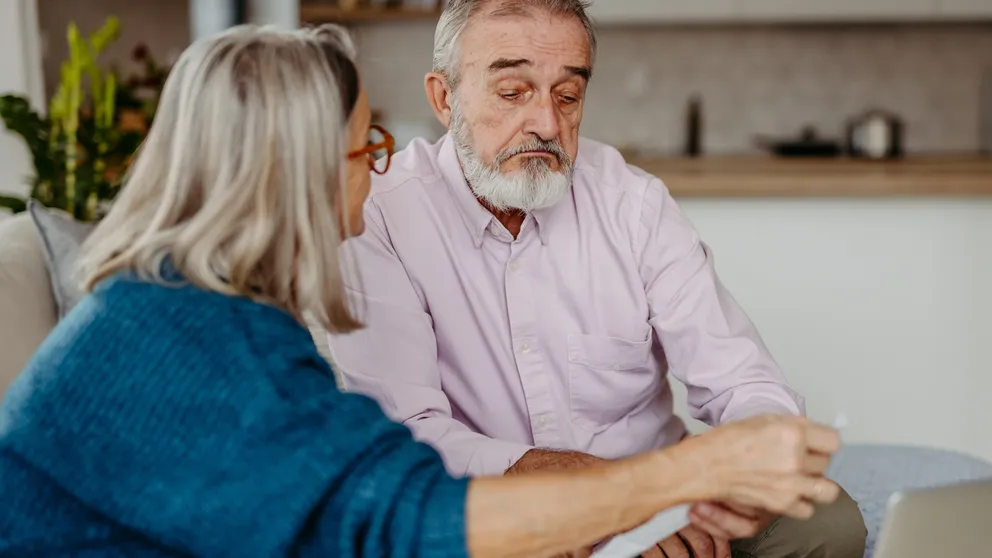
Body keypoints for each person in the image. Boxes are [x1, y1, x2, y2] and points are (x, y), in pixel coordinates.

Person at [0, 23, 842, 558]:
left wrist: (695, 480)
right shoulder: (183, 345)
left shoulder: (201, 315)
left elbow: (364, 493)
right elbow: (412, 519)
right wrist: (670, 480)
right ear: (291, 172)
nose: (381, 168)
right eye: (366, 145)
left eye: (567, 93)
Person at [325, 1, 868, 557]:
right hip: (498, 510)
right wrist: (608, 502)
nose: (546, 123)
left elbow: (744, 384)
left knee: (826, 520)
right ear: (445, 98)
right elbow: (406, 430)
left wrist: (734, 479)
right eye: (513, 93)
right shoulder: (379, 210)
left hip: (667, 510)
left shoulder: (632, 204)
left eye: (568, 95)